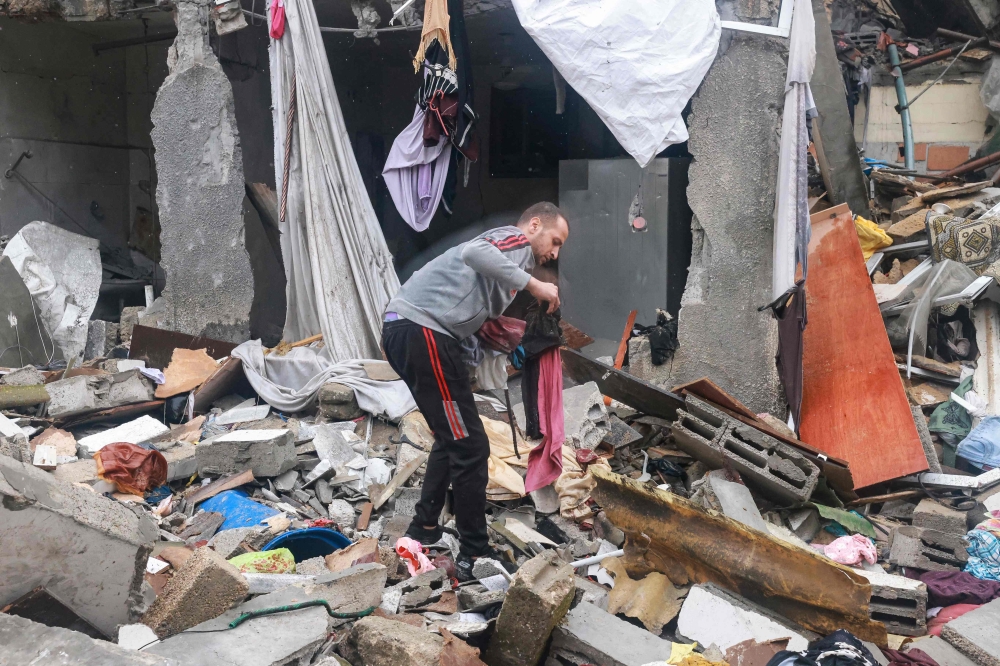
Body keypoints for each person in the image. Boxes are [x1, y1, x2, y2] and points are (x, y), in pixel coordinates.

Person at [381, 201, 569, 580]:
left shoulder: (504, 272)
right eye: (555, 240)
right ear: (534, 225)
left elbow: (468, 313)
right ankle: (473, 551)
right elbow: (473, 251)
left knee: (452, 441)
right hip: (422, 332)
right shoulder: (513, 240)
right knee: (471, 447)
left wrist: (498, 341)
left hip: (419, 333)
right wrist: (535, 285)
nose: (554, 252)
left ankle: (425, 530)